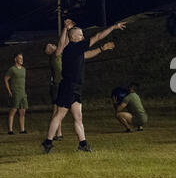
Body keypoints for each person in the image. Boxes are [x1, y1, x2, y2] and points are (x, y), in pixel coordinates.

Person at [41, 20, 126, 153]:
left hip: (75, 87)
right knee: (59, 115)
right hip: (68, 86)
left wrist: (102, 49)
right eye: (80, 35)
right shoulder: (74, 47)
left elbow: (87, 55)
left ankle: (83, 144)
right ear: (74, 37)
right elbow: (97, 37)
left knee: (78, 117)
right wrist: (114, 27)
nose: (83, 37)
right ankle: (48, 142)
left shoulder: (75, 51)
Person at [43, 19, 76, 141]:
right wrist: (65, 29)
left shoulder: (59, 54)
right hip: (56, 85)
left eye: (52, 44)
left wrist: (69, 30)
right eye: (49, 46)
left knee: (59, 109)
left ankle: (58, 133)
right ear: (48, 51)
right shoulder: (54, 55)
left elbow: (65, 43)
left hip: (60, 84)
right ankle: (56, 134)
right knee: (57, 110)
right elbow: (62, 44)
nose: (52, 44)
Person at [4, 53, 28, 134]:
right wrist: (9, 91)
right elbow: (6, 79)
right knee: (13, 110)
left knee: (22, 112)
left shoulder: (24, 69)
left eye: (22, 58)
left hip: (23, 93)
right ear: (15, 59)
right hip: (15, 93)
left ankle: (22, 130)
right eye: (20, 58)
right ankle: (10, 130)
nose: (21, 60)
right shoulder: (12, 69)